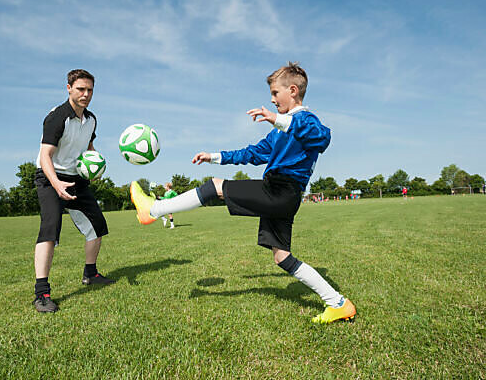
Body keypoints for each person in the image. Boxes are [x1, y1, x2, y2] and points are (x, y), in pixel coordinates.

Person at [130, 62, 356, 324]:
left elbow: (322, 138)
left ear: (292, 90)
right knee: (282, 257)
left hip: (282, 190)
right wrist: (213, 156)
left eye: (275, 93)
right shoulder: (279, 131)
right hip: (281, 195)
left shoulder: (305, 120)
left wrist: (280, 120)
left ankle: (153, 211)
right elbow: (252, 153)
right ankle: (338, 303)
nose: (271, 100)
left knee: (216, 186)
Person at [32, 69, 115, 313]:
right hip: (50, 178)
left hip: (76, 178)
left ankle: (91, 274)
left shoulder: (91, 120)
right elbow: (45, 155)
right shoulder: (57, 117)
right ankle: (41, 294)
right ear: (68, 88)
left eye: (90, 90)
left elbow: (89, 147)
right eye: (80, 89)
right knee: (50, 229)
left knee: (97, 225)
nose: (86, 94)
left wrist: (95, 164)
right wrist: (56, 184)